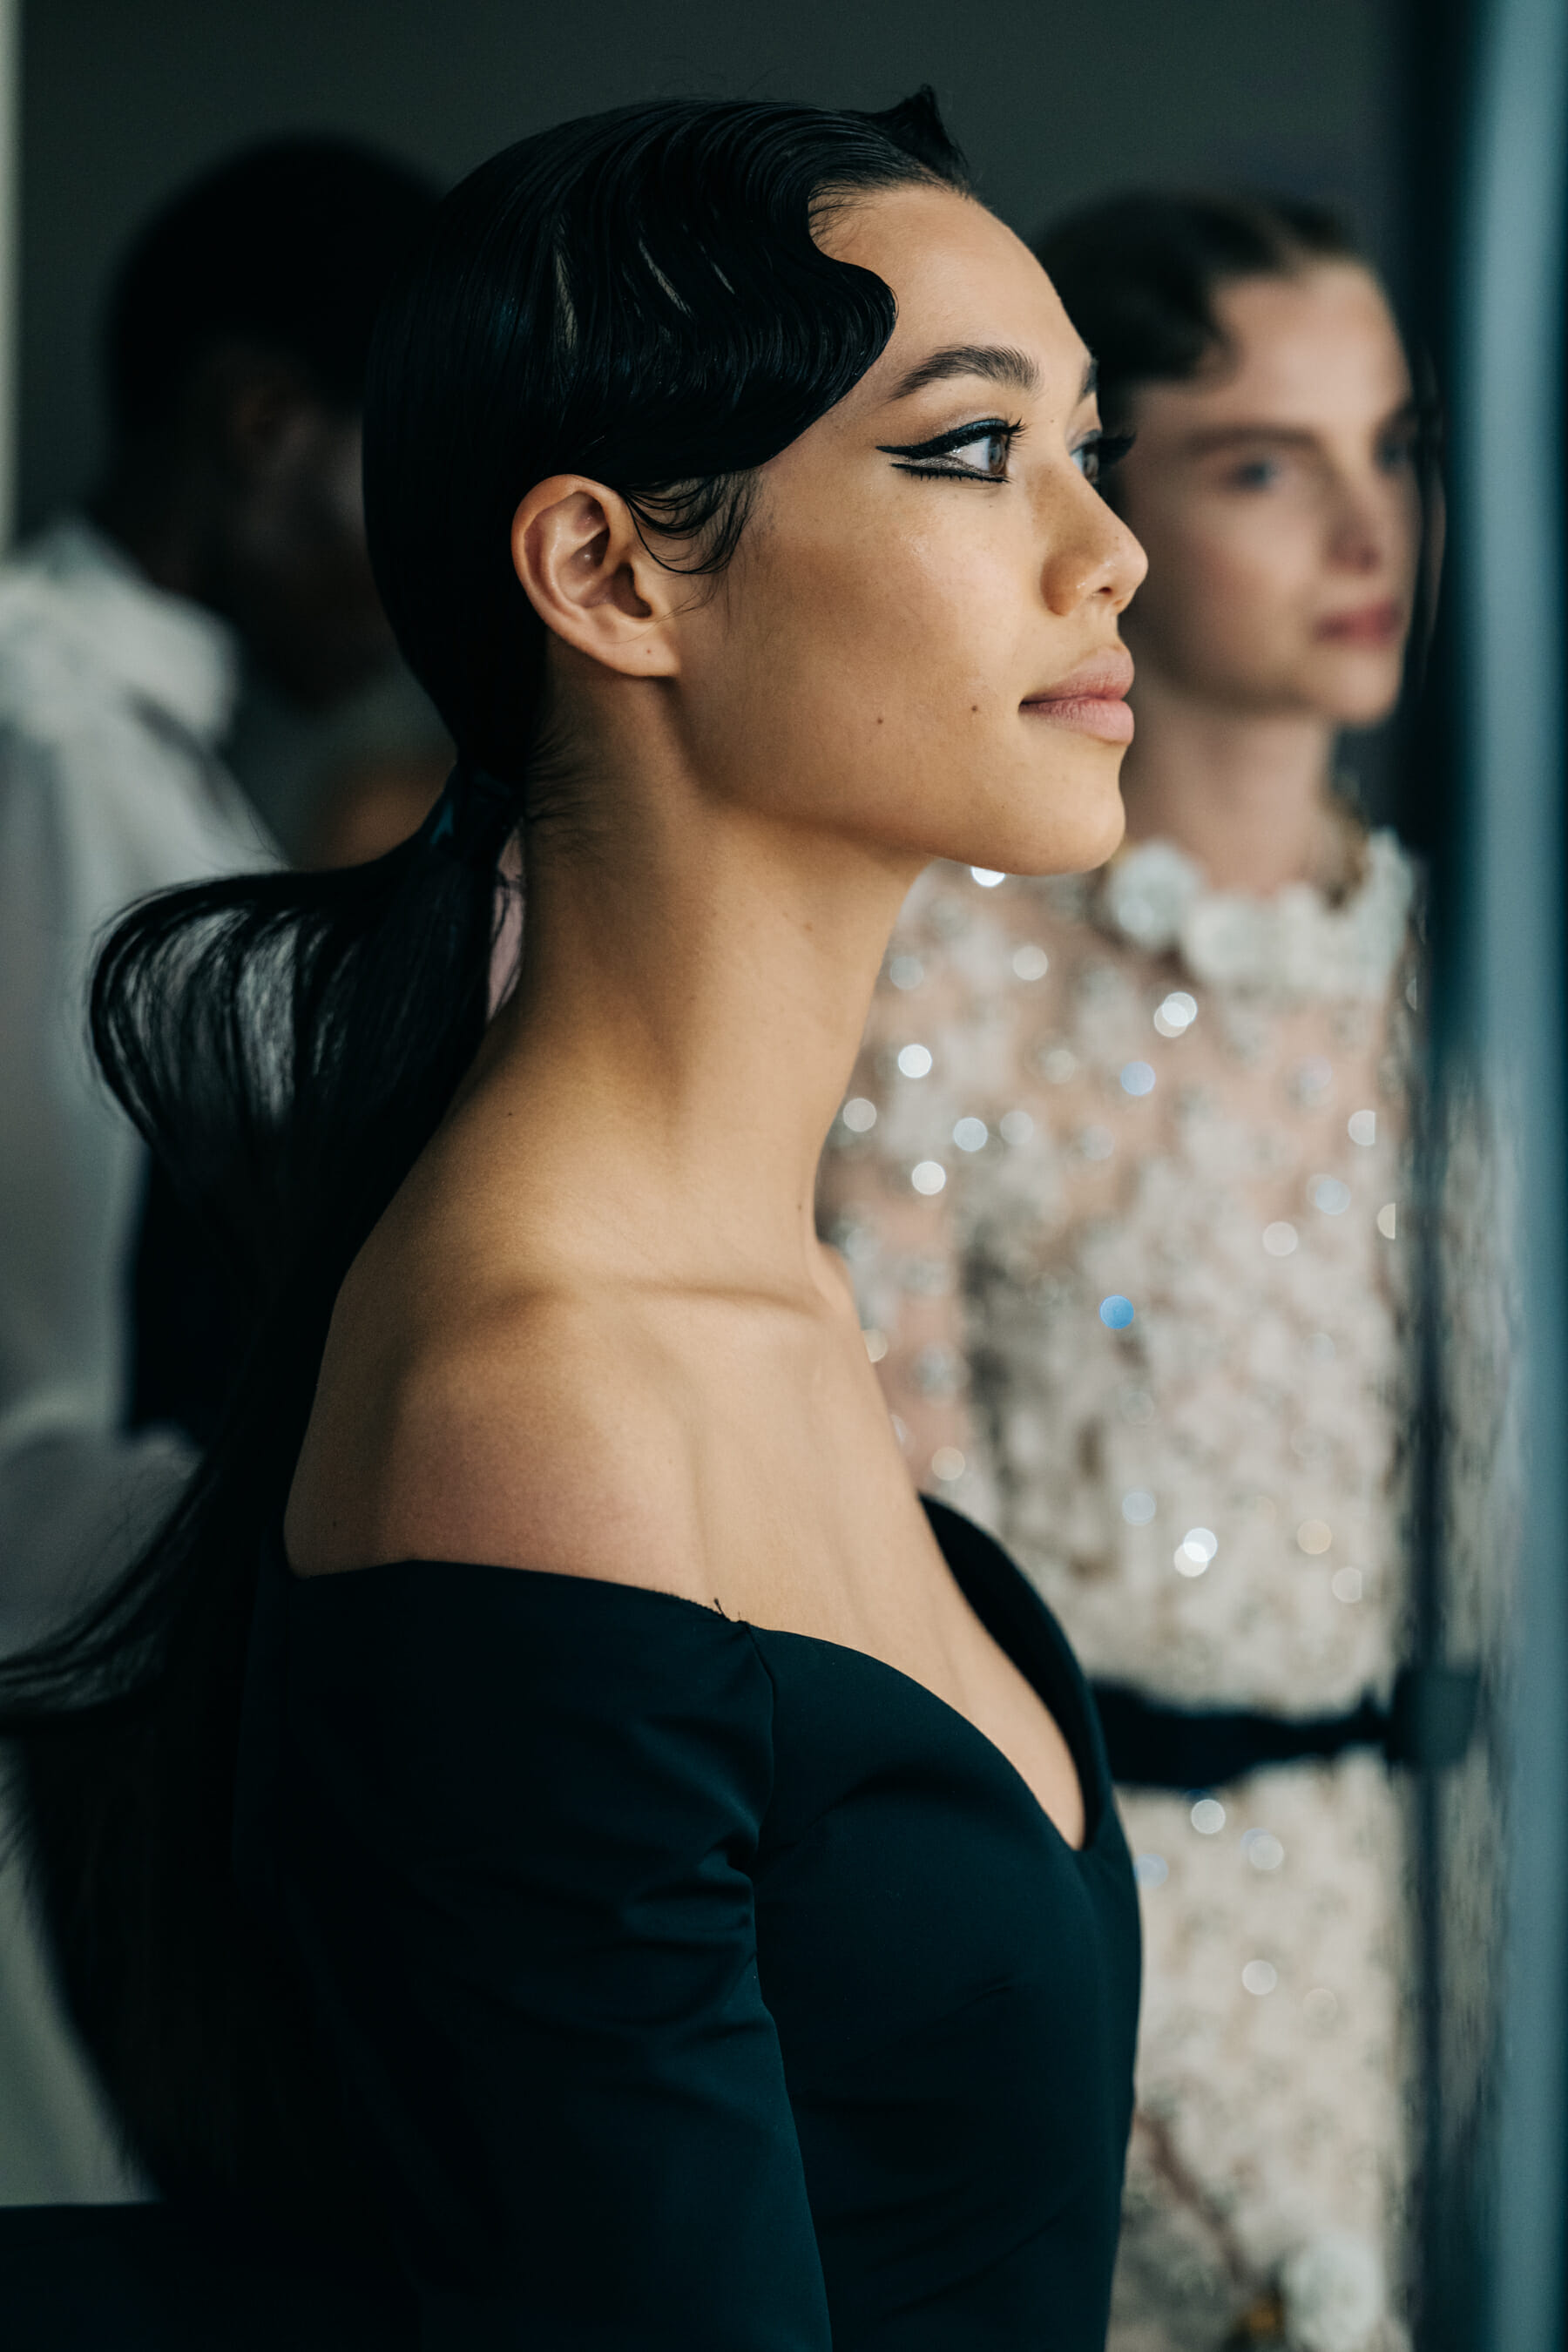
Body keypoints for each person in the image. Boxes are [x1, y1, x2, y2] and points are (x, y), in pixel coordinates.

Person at [3, 92, 1151, 2344]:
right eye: (965, 449)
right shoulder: (544, 1392)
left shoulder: (750, 1288)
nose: (1104, 552)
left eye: (1088, 445)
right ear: (614, 572)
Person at [819, 191, 1423, 2352]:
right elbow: (883, 1587)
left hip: (1453, 1929)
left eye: (1398, 449)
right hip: (1093, 1927)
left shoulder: (1488, 980)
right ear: (1116, 500)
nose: (1368, 529)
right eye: (1269, 463)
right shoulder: (944, 983)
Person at [0, 137, 435, 2203]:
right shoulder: (41, 749)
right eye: (410, 461)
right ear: (265, 424)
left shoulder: (147, 752)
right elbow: (28, 1421)